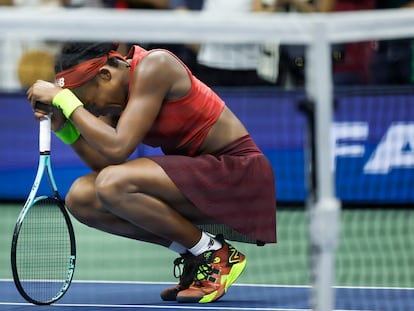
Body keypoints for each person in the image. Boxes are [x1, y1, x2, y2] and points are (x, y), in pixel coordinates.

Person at [27, 42, 277, 303]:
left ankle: (215, 254)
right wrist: (64, 129)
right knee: (82, 197)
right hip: (198, 182)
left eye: (87, 100)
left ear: (105, 75)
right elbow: (104, 168)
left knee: (112, 183)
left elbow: (117, 149)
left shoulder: (155, 65)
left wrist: (64, 100)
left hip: (239, 174)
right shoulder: (113, 101)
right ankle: (195, 251)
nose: (90, 109)